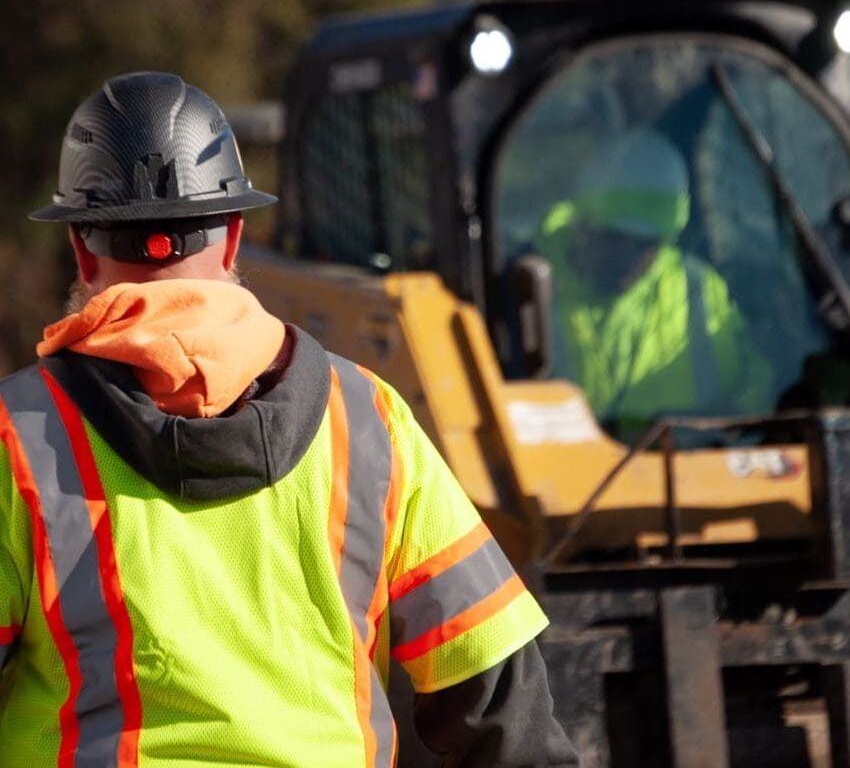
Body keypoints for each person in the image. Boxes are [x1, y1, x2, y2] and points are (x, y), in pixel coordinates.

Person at [0, 72, 576, 767]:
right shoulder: (370, 421)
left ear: (83, 250)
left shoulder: (17, 437)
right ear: (235, 236)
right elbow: (501, 708)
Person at [536, 128, 773, 440]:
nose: (629, 258)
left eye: (646, 244)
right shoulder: (528, 289)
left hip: (689, 481)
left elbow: (755, 388)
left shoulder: (697, 290)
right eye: (615, 238)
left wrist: (727, 430)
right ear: (583, 224)